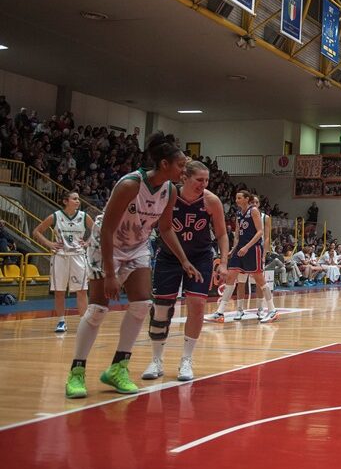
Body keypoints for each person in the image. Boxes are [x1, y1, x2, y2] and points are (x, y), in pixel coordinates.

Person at [65, 132, 194, 399]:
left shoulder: (170, 191)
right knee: (98, 309)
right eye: (181, 165)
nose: (184, 170)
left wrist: (184, 260)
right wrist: (110, 274)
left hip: (137, 245)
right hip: (107, 244)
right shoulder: (130, 185)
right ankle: (76, 372)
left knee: (142, 304)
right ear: (164, 164)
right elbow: (107, 229)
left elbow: (166, 228)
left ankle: (118, 368)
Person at [141, 161, 230, 382]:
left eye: (206, 180)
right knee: (161, 308)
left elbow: (221, 234)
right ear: (184, 178)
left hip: (200, 257)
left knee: (197, 305)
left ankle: (186, 359)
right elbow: (160, 227)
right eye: (199, 180)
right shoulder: (168, 197)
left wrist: (223, 262)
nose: (204, 184)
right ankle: (156, 359)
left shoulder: (211, 201)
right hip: (169, 256)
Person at [208, 190, 278, 324]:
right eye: (236, 198)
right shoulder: (239, 213)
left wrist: (246, 247)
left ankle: (272, 310)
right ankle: (219, 312)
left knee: (259, 279)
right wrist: (233, 249)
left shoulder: (254, 211)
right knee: (231, 277)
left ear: (246, 199)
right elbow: (237, 235)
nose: (236, 200)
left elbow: (260, 232)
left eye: (239, 198)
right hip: (240, 250)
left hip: (253, 249)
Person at [33, 191, 94, 334]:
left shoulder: (84, 216)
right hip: (60, 257)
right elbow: (36, 231)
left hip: (78, 256)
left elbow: (98, 231)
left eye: (78, 199)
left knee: (82, 291)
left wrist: (88, 242)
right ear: (65, 201)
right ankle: (61, 321)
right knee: (59, 291)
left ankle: (83, 322)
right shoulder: (55, 216)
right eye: (74, 199)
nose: (78, 201)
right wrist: (49, 244)